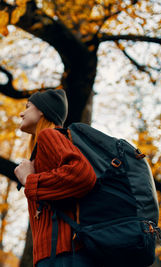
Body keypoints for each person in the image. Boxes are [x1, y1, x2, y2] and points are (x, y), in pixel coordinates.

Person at [14, 89, 98, 267]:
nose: (22, 113)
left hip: (63, 255)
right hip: (57, 254)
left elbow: (82, 174)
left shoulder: (49, 135)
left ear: (42, 110)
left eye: (27, 107)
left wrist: (29, 180)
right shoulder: (43, 148)